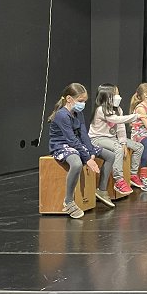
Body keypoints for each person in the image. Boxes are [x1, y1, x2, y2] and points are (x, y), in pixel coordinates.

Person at [48, 83, 116, 218]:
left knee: (110, 156)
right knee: (76, 163)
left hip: (76, 143)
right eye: (80, 101)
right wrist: (87, 158)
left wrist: (91, 152)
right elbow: (71, 139)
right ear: (69, 99)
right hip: (62, 145)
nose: (83, 104)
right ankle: (68, 202)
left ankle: (101, 190)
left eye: (84, 101)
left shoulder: (78, 113)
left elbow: (84, 134)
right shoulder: (62, 115)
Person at [88, 83, 143, 195]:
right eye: (115, 94)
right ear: (107, 96)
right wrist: (136, 116)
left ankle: (133, 174)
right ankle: (119, 180)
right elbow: (116, 120)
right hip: (97, 139)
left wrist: (123, 142)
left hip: (112, 138)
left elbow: (121, 128)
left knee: (139, 147)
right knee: (118, 148)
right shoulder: (100, 110)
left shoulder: (118, 109)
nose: (118, 97)